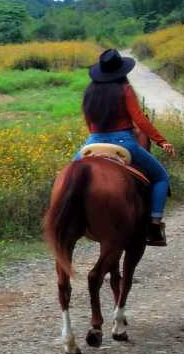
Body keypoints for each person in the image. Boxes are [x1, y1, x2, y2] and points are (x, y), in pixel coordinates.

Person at [75, 49, 175, 246]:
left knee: (66, 176)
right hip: (123, 142)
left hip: (92, 142)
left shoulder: (90, 91)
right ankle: (154, 225)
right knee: (161, 177)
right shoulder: (125, 89)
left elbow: (88, 119)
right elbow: (139, 120)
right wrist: (161, 141)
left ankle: (67, 216)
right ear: (121, 71)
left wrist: (96, 135)